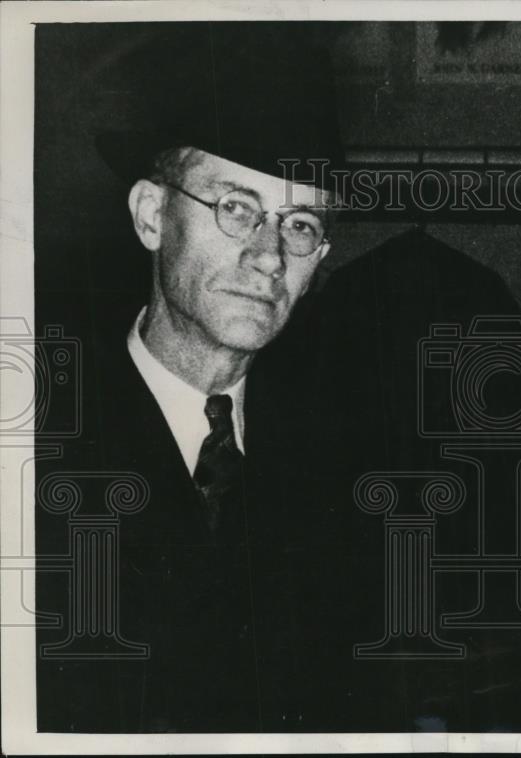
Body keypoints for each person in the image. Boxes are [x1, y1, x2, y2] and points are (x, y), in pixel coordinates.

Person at [35, 25, 343, 732]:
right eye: (236, 208)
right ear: (152, 216)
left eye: (299, 226)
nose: (269, 257)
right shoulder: (38, 442)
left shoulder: (339, 465)